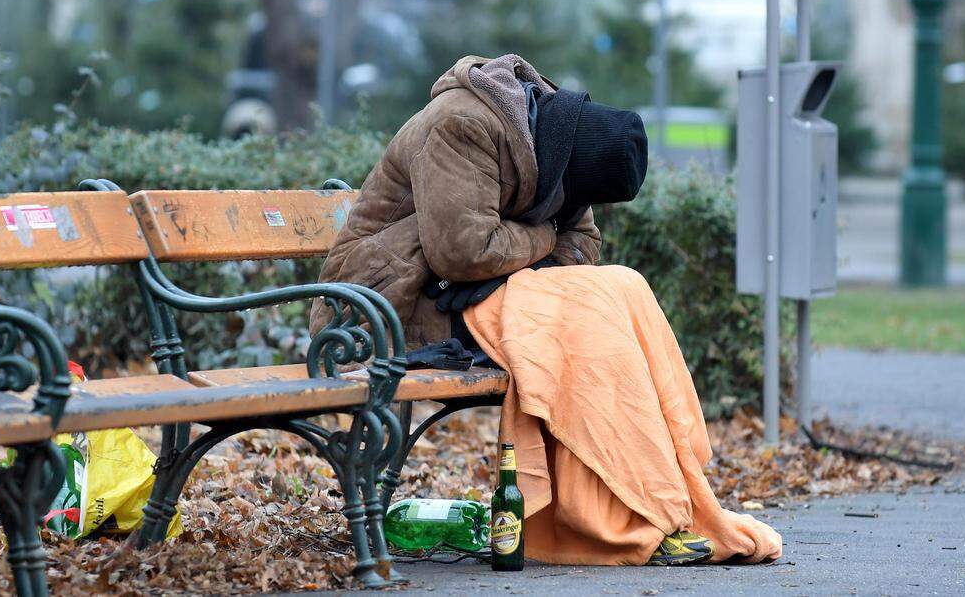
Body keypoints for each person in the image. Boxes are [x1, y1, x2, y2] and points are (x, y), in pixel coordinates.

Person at [311, 54, 781, 566]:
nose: (569, 204)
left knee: (621, 287)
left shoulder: (557, 145)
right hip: (387, 306)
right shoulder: (463, 125)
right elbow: (463, 251)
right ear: (565, 151)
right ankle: (619, 513)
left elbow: (582, 245)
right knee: (583, 314)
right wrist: (543, 238)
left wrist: (534, 251)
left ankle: (658, 498)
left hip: (467, 295)